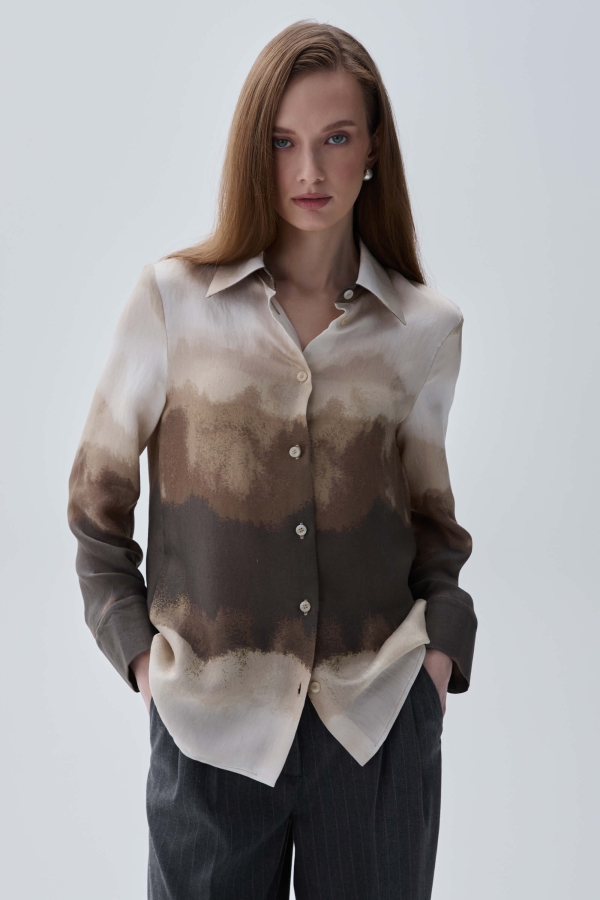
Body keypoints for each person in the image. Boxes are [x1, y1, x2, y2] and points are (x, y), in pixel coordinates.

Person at [67, 19, 477, 900]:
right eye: (284, 142)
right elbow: (97, 507)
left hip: (375, 728)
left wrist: (438, 660)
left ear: (374, 148)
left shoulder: (423, 329)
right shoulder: (173, 302)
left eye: (337, 138)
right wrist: (143, 661)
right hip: (209, 734)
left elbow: (433, 526)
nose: (309, 170)